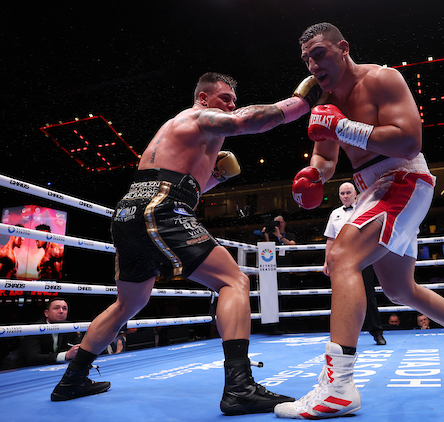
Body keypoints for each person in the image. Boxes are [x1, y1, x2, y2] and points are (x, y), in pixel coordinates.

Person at [50, 71, 327, 415]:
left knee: (128, 303)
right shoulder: (197, 116)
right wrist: (300, 103)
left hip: (131, 210)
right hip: (161, 206)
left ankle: (72, 379)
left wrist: (214, 177)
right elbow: (245, 122)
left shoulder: (184, 132)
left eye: (234, 101)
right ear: (204, 98)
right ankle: (240, 387)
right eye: (225, 98)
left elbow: (184, 183)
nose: (231, 106)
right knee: (234, 281)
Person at [275, 23, 444, 419]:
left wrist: (342, 126)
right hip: (372, 188)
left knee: (343, 257)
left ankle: (338, 388)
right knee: (398, 289)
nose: (312, 65)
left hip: (403, 176)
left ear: (343, 48)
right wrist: (314, 175)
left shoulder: (382, 79)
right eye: (306, 59)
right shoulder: (325, 100)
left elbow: (409, 140)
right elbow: (325, 155)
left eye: (320, 53)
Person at [324, 182, 385, 345]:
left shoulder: (364, 210)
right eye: (342, 193)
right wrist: (326, 261)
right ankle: (343, 337)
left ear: (355, 194)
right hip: (340, 262)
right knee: (341, 298)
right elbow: (330, 239)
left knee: (369, 295)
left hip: (362, 257)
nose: (345, 196)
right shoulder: (335, 214)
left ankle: (377, 333)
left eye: (348, 193)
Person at [1, 297, 81, 370]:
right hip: (23, 368)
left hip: (54, 368)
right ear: (46, 313)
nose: (61, 311)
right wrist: (65, 355)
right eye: (56, 308)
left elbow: (79, 349)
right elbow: (33, 358)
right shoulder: (34, 329)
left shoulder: (70, 328)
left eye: (64, 308)